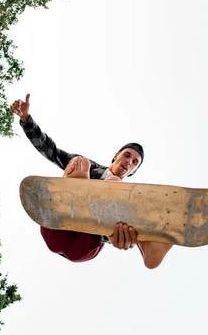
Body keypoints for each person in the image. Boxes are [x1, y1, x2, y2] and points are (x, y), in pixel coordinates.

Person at [10, 93, 173, 269]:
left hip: (84, 245)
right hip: (57, 227)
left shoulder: (129, 199)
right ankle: (77, 185)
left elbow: (117, 233)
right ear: (115, 156)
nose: (129, 162)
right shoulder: (91, 168)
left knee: (119, 193)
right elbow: (51, 150)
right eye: (127, 155)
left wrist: (117, 238)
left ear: (133, 171)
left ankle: (149, 246)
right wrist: (26, 119)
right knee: (80, 162)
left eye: (135, 163)